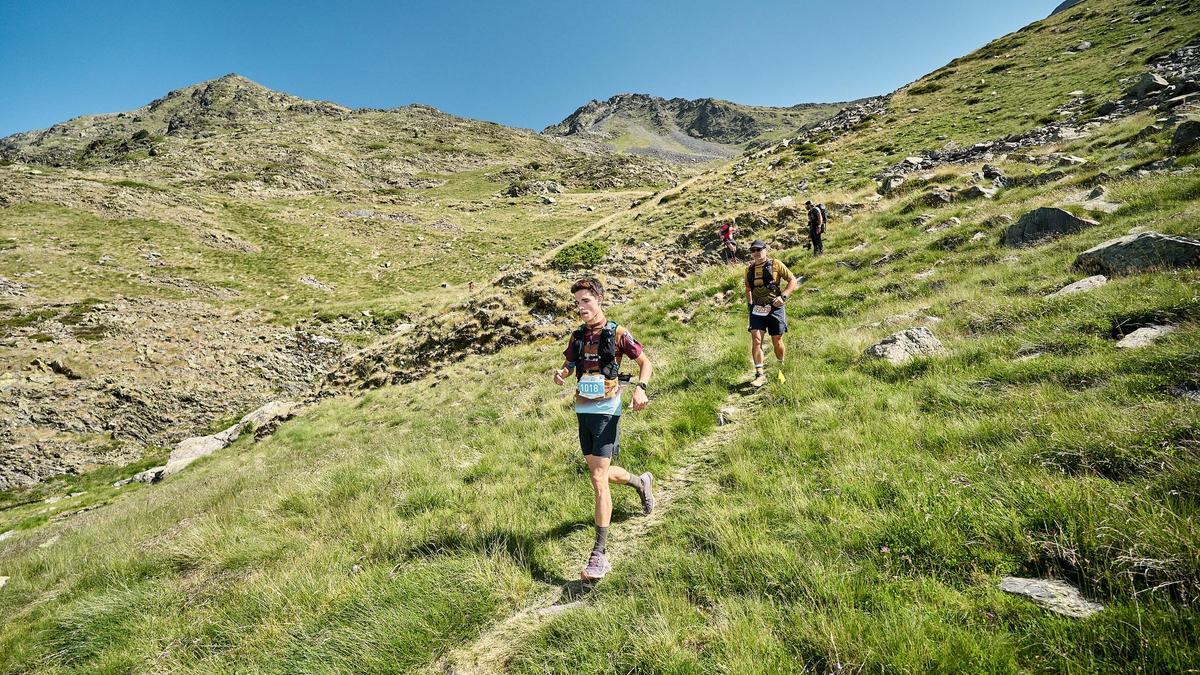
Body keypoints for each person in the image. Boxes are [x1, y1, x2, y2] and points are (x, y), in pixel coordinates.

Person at [553, 277, 655, 580]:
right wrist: (562, 373)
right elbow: (570, 364)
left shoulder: (619, 333)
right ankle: (640, 482)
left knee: (598, 478)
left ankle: (599, 555)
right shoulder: (577, 336)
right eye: (577, 302)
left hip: (608, 408)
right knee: (600, 472)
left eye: (586, 300)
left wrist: (641, 388)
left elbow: (645, 363)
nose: (581, 307)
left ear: (600, 299)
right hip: (583, 407)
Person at [744, 240, 799, 387]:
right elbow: (748, 289)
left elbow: (792, 280)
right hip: (756, 310)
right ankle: (759, 374)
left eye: (759, 249)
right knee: (756, 340)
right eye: (753, 250)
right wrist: (750, 306)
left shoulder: (776, 264)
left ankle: (781, 368)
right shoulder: (748, 269)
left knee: (777, 340)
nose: (756, 252)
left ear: (765, 250)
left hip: (775, 308)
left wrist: (784, 296)